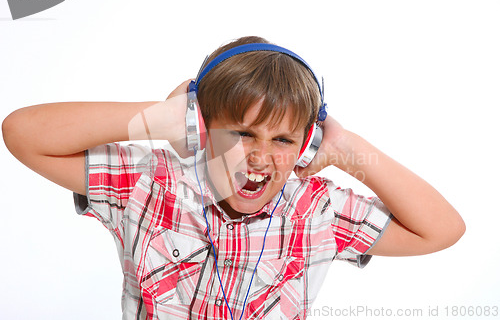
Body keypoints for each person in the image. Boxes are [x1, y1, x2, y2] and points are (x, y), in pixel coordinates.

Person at [2, 36, 465, 320]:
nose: (262, 156)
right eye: (242, 133)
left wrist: (346, 149)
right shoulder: (149, 184)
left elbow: (441, 230)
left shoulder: (314, 210)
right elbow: (22, 134)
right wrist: (158, 119)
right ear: (197, 127)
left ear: (306, 144)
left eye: (284, 140)